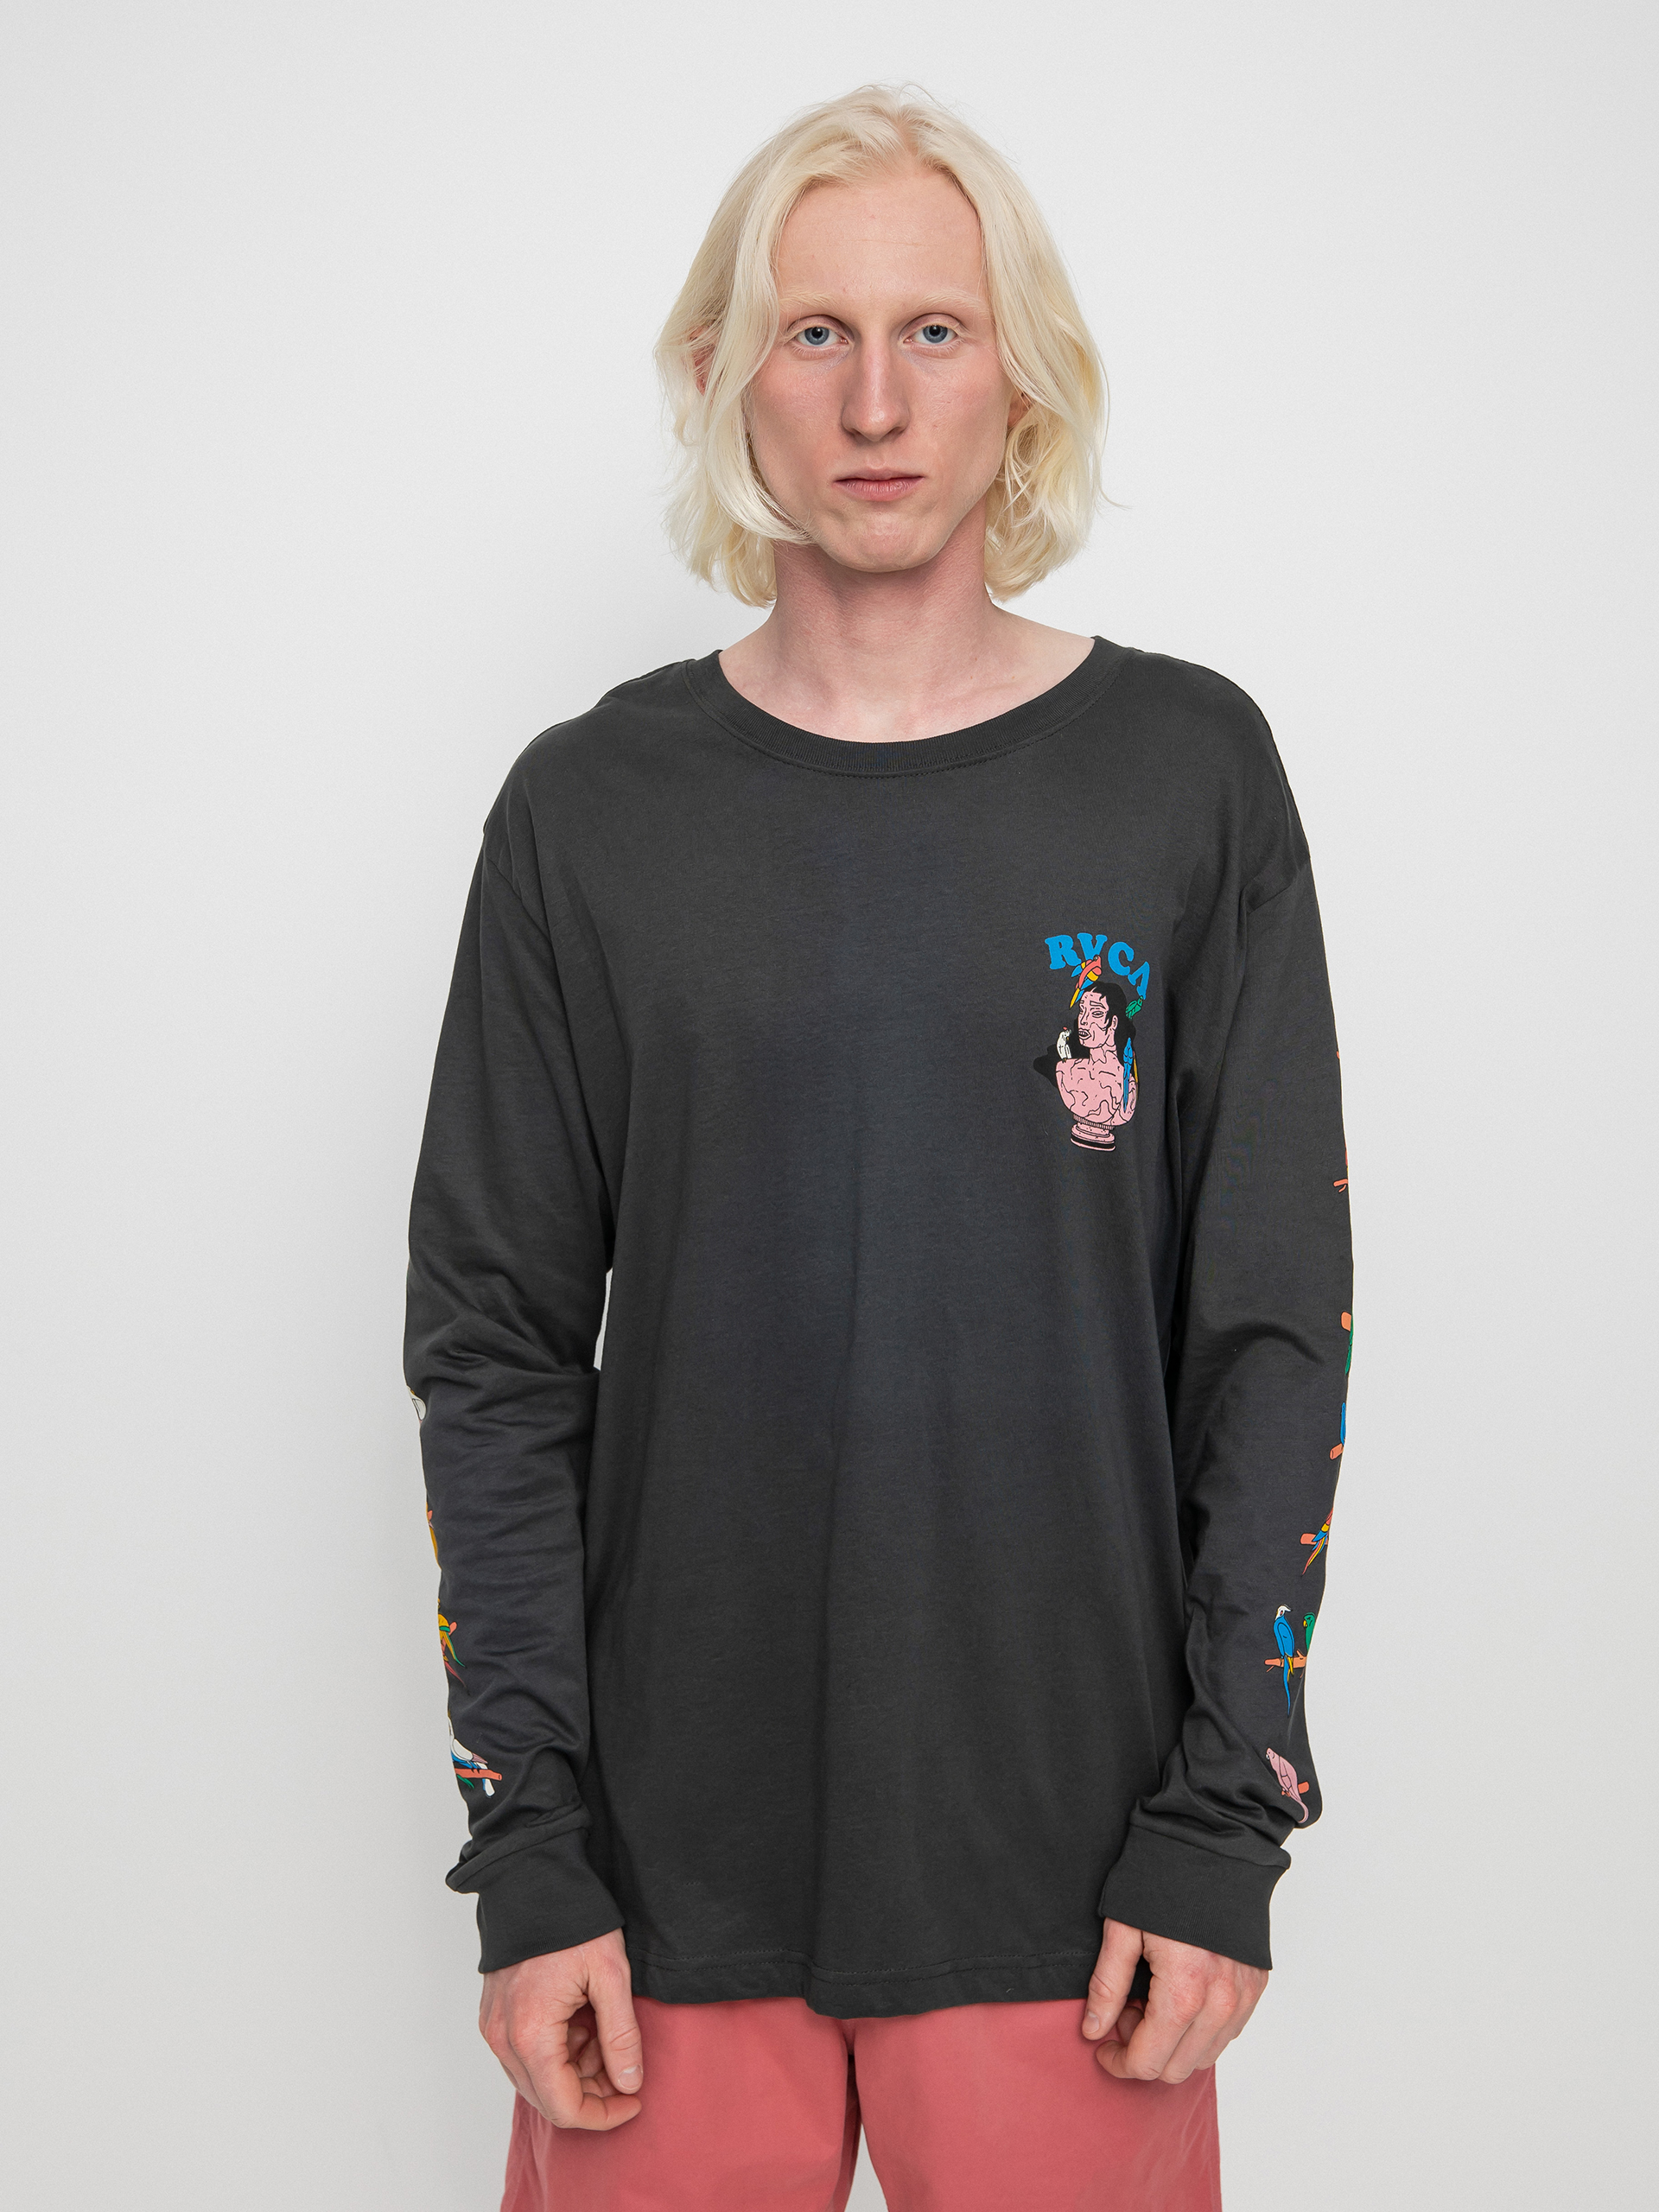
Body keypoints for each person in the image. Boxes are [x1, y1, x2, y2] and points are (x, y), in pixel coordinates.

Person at [404, 83, 1352, 2212]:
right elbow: (493, 1349)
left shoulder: (1189, 775)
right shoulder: (588, 812)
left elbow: (1275, 1328)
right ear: (722, 375)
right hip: (658, 1898)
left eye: (934, 329)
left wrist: (1224, 1820)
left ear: (1022, 370)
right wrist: (531, 1846)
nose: (873, 403)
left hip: (1080, 1890)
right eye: (812, 333)